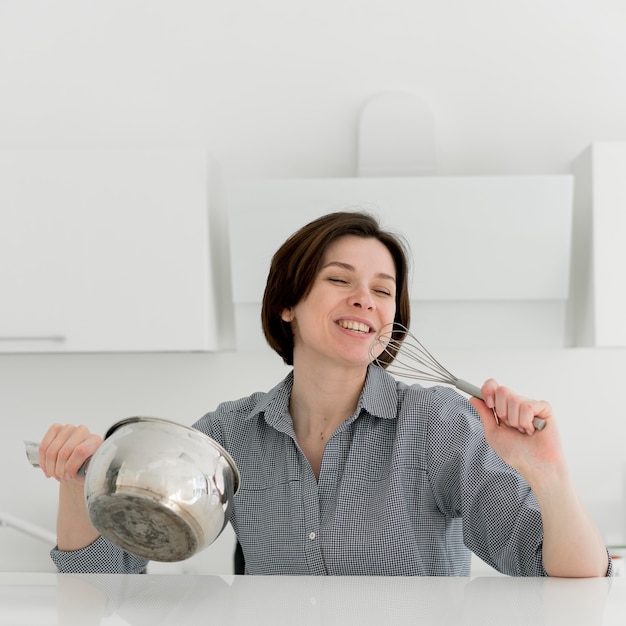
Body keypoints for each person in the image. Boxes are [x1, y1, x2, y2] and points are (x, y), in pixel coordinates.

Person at [37, 211, 611, 576]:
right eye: (339, 280)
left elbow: (563, 575)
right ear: (288, 304)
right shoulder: (228, 434)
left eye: (382, 291)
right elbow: (101, 584)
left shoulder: (439, 423)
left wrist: (550, 474)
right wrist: (75, 483)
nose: (366, 300)